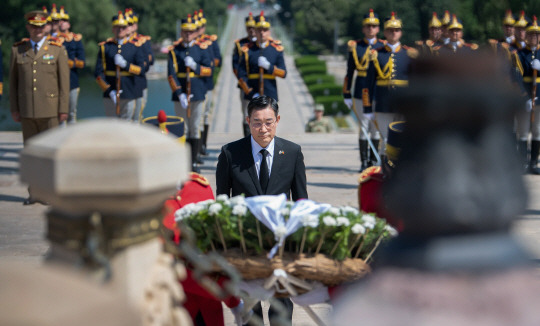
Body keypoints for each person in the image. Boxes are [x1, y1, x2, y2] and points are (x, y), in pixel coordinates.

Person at [216, 95, 307, 323]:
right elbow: (221, 202)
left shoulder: (293, 153)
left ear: (277, 120)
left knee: (281, 307)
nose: (263, 129)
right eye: (257, 122)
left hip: (280, 242)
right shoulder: (230, 153)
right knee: (250, 307)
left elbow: (301, 201)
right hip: (245, 244)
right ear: (248, 121)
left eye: (268, 122)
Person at [162, 172, 252, 326]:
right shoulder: (149, 198)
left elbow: (211, 245)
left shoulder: (198, 186)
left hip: (207, 302)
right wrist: (233, 301)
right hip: (174, 298)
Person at [9, 10, 69, 204]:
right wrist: (15, 108)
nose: (38, 30)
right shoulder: (18, 50)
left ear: (48, 27)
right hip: (27, 110)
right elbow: (13, 83)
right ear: (28, 27)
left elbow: (64, 83)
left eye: (41, 26)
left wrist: (63, 108)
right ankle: (34, 193)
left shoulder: (57, 49)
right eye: (34, 26)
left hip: (51, 110)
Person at [167, 14, 212, 173]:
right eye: (184, 32)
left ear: (195, 33)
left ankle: (192, 162)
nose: (187, 34)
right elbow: (171, 75)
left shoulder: (202, 49)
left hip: (198, 92)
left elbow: (209, 70)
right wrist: (179, 93)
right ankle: (183, 161)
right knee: (182, 129)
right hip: (181, 96)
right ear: (181, 33)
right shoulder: (174, 51)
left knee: (194, 128)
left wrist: (195, 67)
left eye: (190, 32)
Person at [343, 9, 384, 171]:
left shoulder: (382, 46)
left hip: (378, 91)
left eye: (374, 26)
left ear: (378, 29)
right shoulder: (356, 47)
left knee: (376, 129)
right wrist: (346, 93)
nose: (371, 29)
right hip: (361, 92)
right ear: (363, 28)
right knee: (364, 127)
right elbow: (349, 72)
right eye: (368, 26)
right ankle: (364, 161)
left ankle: (374, 160)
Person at [370, 12, 417, 149]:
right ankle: (385, 170)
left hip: (404, 104)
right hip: (383, 104)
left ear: (401, 33)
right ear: (384, 32)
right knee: (385, 141)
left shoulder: (409, 54)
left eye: (397, 30)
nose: (393, 33)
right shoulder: (377, 54)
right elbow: (369, 83)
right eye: (390, 30)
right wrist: (368, 107)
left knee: (403, 141)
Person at [94, 11, 145, 120]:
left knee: (127, 127)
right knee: (112, 127)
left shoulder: (135, 46)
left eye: (123, 27)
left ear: (127, 29)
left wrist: (126, 65)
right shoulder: (105, 47)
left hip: (129, 93)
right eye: (117, 27)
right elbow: (98, 74)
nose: (120, 30)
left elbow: (141, 70)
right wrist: (109, 91)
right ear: (112, 29)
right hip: (110, 94)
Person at [236, 11, 286, 103]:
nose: (262, 33)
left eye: (265, 30)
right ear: (255, 31)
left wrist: (269, 67)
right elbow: (241, 75)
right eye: (259, 30)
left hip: (270, 94)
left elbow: (283, 73)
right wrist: (251, 93)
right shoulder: (247, 50)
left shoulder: (276, 49)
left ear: (269, 31)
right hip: (252, 95)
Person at [512, 16, 540, 174]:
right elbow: (516, 77)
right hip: (525, 99)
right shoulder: (519, 54)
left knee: (537, 131)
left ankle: (534, 162)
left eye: (536, 35)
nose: (533, 37)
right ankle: (523, 162)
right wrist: (526, 97)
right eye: (530, 35)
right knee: (522, 131)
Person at [197, 9, 222, 156]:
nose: (199, 30)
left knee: (204, 115)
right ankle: (197, 147)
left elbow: (218, 60)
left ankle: (202, 145)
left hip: (206, 82)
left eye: (200, 27)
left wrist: (209, 62)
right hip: (195, 83)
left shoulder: (210, 41)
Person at [125, 8, 154, 123]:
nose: (128, 27)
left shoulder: (142, 41)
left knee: (137, 116)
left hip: (138, 81)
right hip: (123, 83)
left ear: (135, 26)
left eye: (131, 24)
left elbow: (149, 60)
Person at [58, 6, 85, 124]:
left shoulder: (75, 40)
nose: (61, 23)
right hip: (55, 81)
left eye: (64, 21)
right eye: (58, 21)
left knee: (71, 113)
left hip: (71, 81)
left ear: (68, 24)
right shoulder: (51, 39)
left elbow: (81, 62)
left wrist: (67, 62)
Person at [233, 12, 257, 136]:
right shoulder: (240, 44)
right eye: (249, 28)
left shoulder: (263, 43)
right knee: (247, 114)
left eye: (254, 28)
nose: (252, 30)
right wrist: (245, 85)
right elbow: (236, 67)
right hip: (245, 84)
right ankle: (247, 142)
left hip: (261, 84)